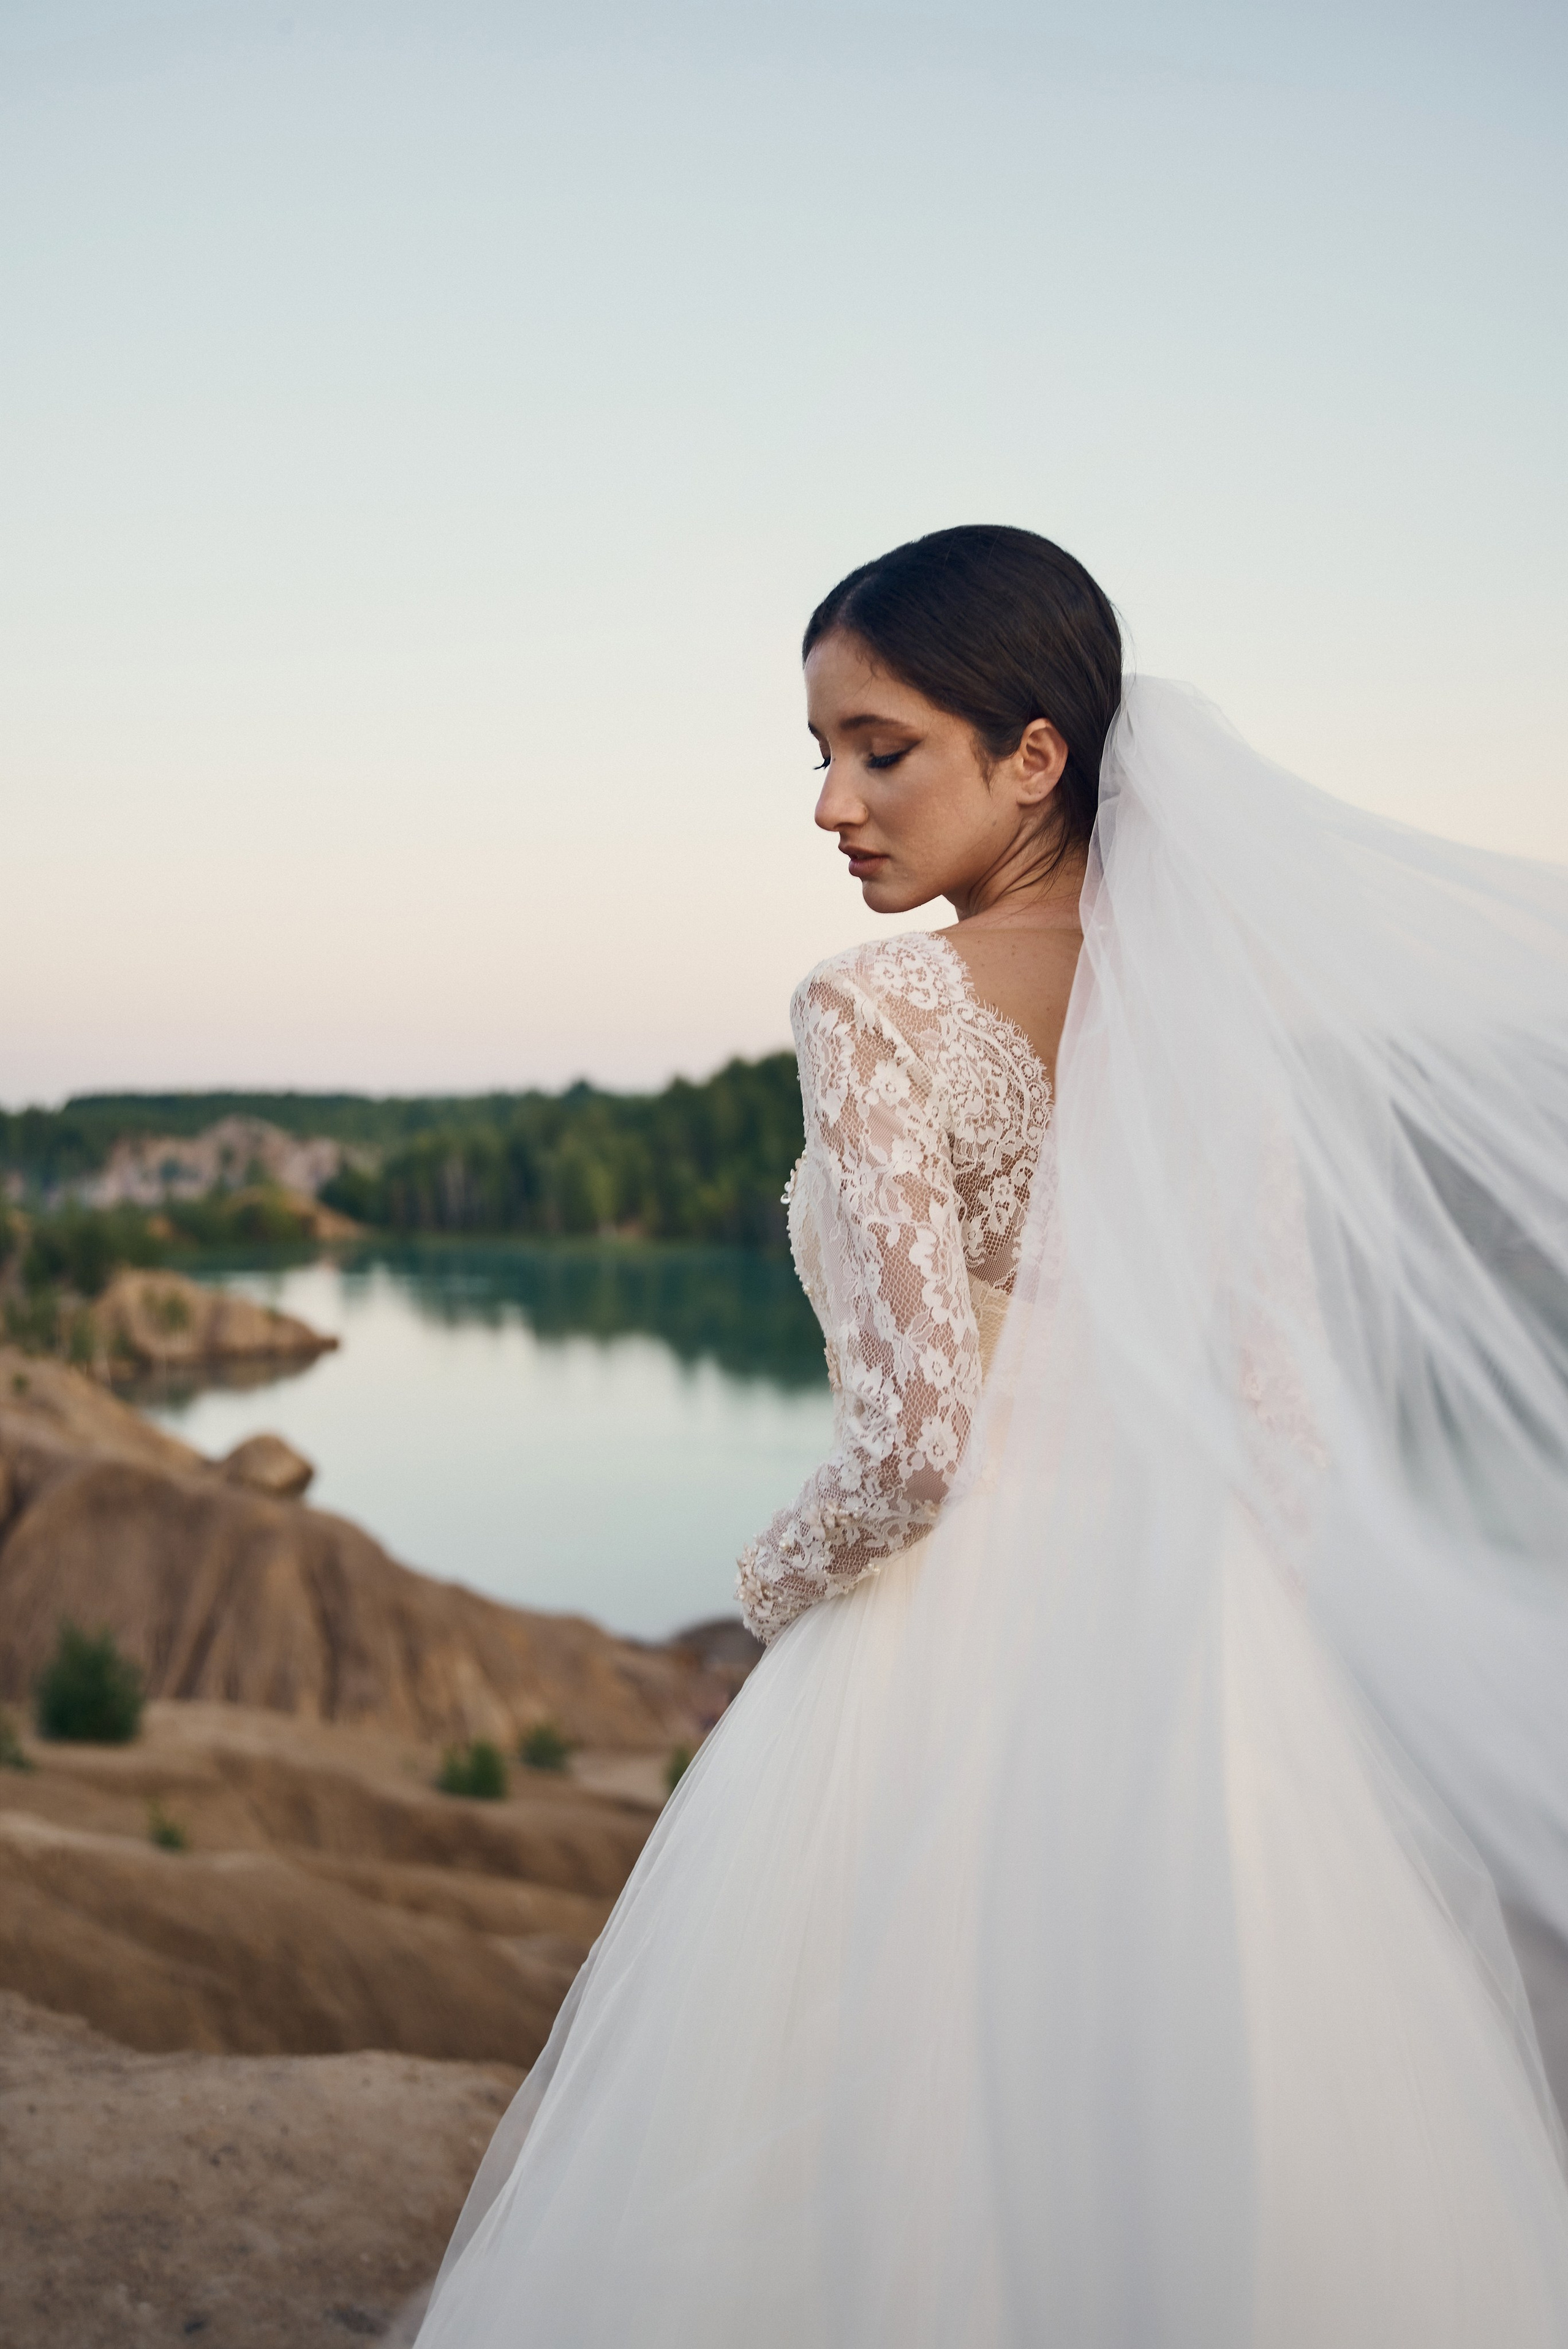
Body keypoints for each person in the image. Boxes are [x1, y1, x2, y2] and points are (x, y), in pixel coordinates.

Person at [416, 526, 1568, 2346]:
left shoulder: (873, 1009)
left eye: (880, 750)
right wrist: (1230, 1662)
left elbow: (916, 1445)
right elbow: (1283, 1424)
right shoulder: (1223, 1012)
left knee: (884, 2146)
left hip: (941, 1649)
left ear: (1035, 755)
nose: (832, 805)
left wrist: (767, 1586)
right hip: (1199, 1645)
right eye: (821, 755)